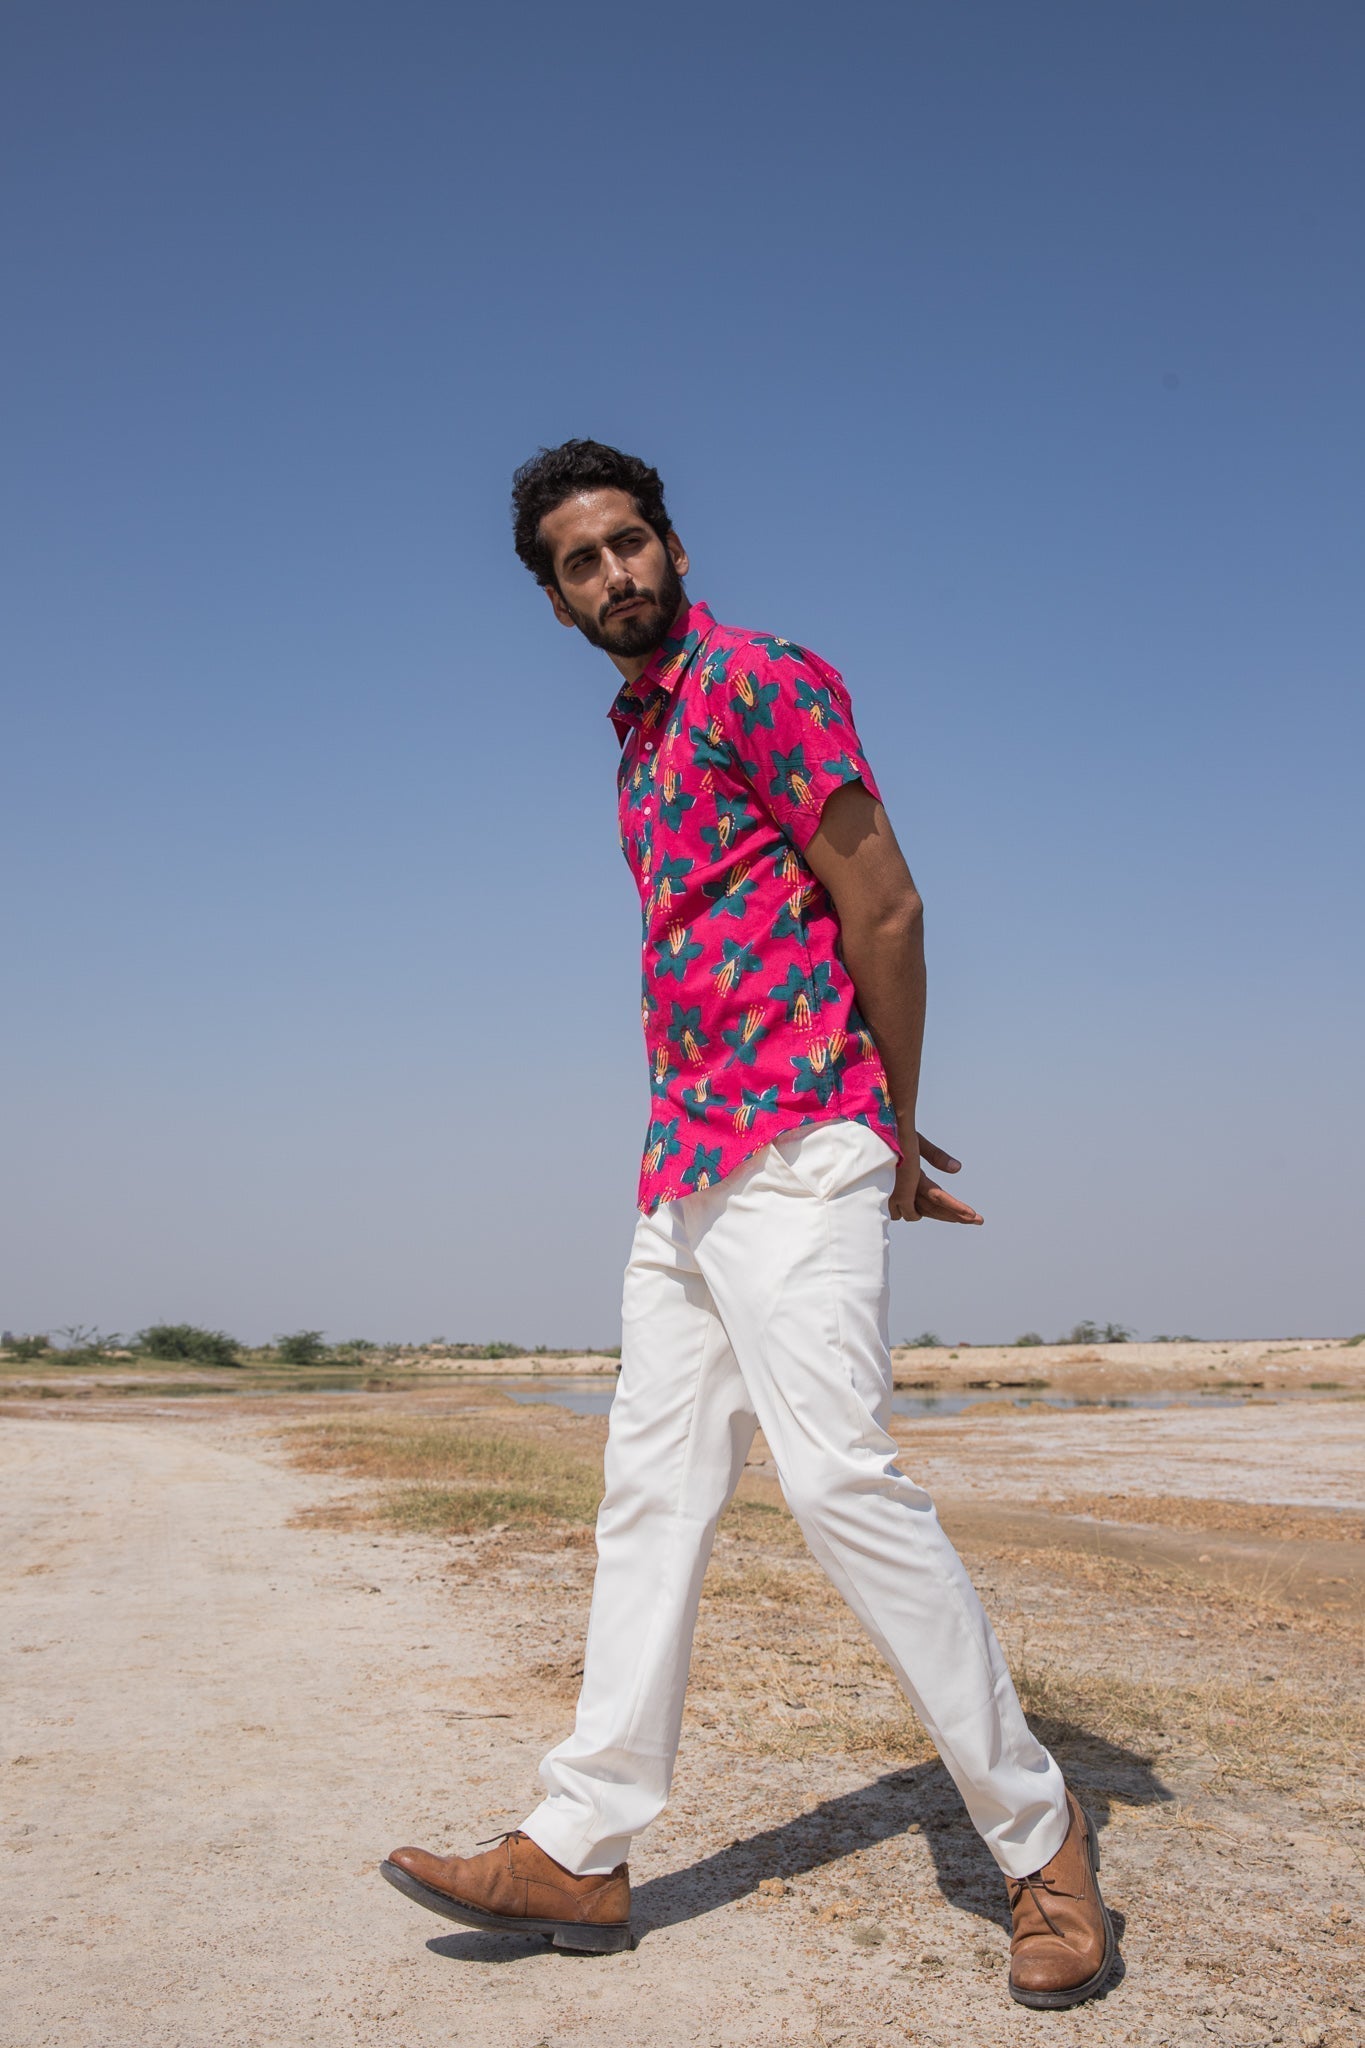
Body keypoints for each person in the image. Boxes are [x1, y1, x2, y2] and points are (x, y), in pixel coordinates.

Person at [382, 440, 1114, 2009]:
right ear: (556, 601)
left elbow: (885, 905)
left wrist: (886, 1127)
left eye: (628, 543)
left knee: (842, 1481)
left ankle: (1039, 1839)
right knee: (649, 1497)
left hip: (798, 1144)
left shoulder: (760, 678)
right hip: (683, 1167)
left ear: (674, 548)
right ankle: (580, 1848)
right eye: (580, 563)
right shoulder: (636, 744)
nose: (613, 575)